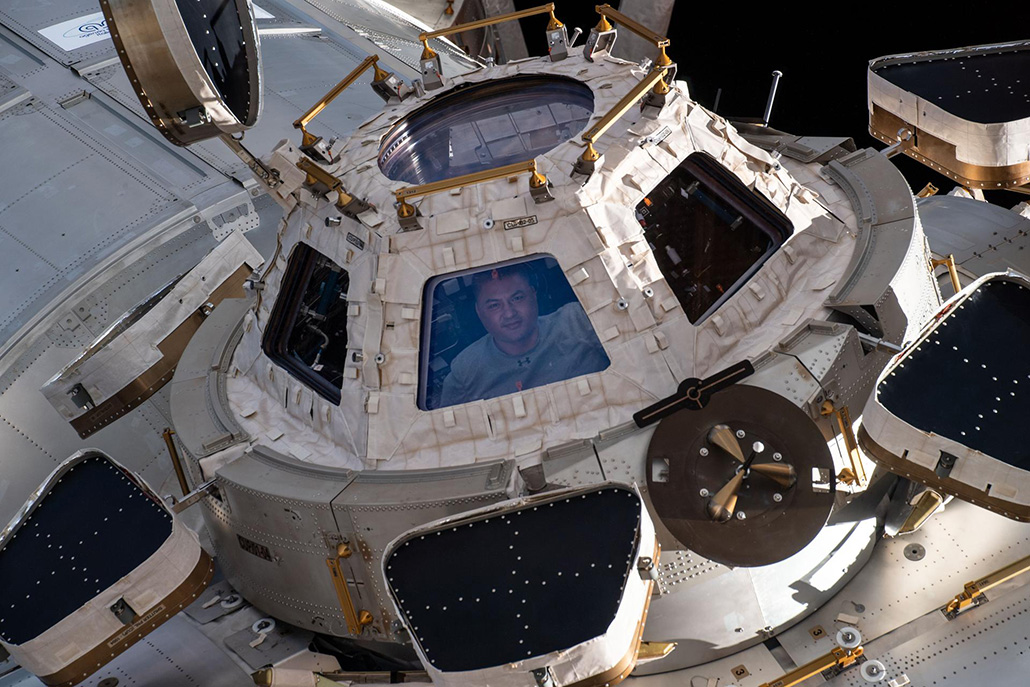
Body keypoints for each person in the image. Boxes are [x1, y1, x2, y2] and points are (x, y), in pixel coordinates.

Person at [439, 264, 610, 407]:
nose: (509, 313)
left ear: (533, 295)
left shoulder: (576, 322)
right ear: (479, 311)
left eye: (517, 298)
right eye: (494, 306)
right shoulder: (465, 372)